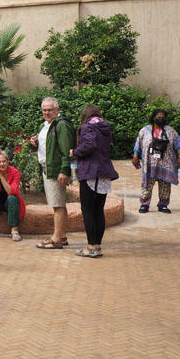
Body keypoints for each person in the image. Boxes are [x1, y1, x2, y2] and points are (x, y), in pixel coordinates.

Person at [71, 105, 118, 257]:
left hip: (91, 172)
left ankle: (91, 247)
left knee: (88, 211)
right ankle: (97, 246)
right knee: (98, 210)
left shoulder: (87, 127)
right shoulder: (104, 127)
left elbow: (90, 145)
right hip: (104, 172)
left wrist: (75, 151)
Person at [30, 97, 74, 250]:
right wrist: (36, 142)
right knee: (59, 204)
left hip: (55, 171)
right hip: (48, 168)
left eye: (50, 109)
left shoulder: (61, 125)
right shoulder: (47, 125)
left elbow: (66, 150)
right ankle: (62, 236)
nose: (47, 112)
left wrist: (64, 170)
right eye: (44, 110)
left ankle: (56, 239)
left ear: (57, 109)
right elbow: (49, 146)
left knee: (57, 205)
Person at [133, 109, 180, 214]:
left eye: (163, 118)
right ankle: (144, 204)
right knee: (147, 184)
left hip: (166, 163)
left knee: (165, 184)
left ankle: (163, 205)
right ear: (153, 118)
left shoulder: (170, 130)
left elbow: (177, 142)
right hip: (150, 163)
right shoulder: (145, 130)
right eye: (158, 117)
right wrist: (135, 156)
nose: (161, 119)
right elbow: (138, 143)